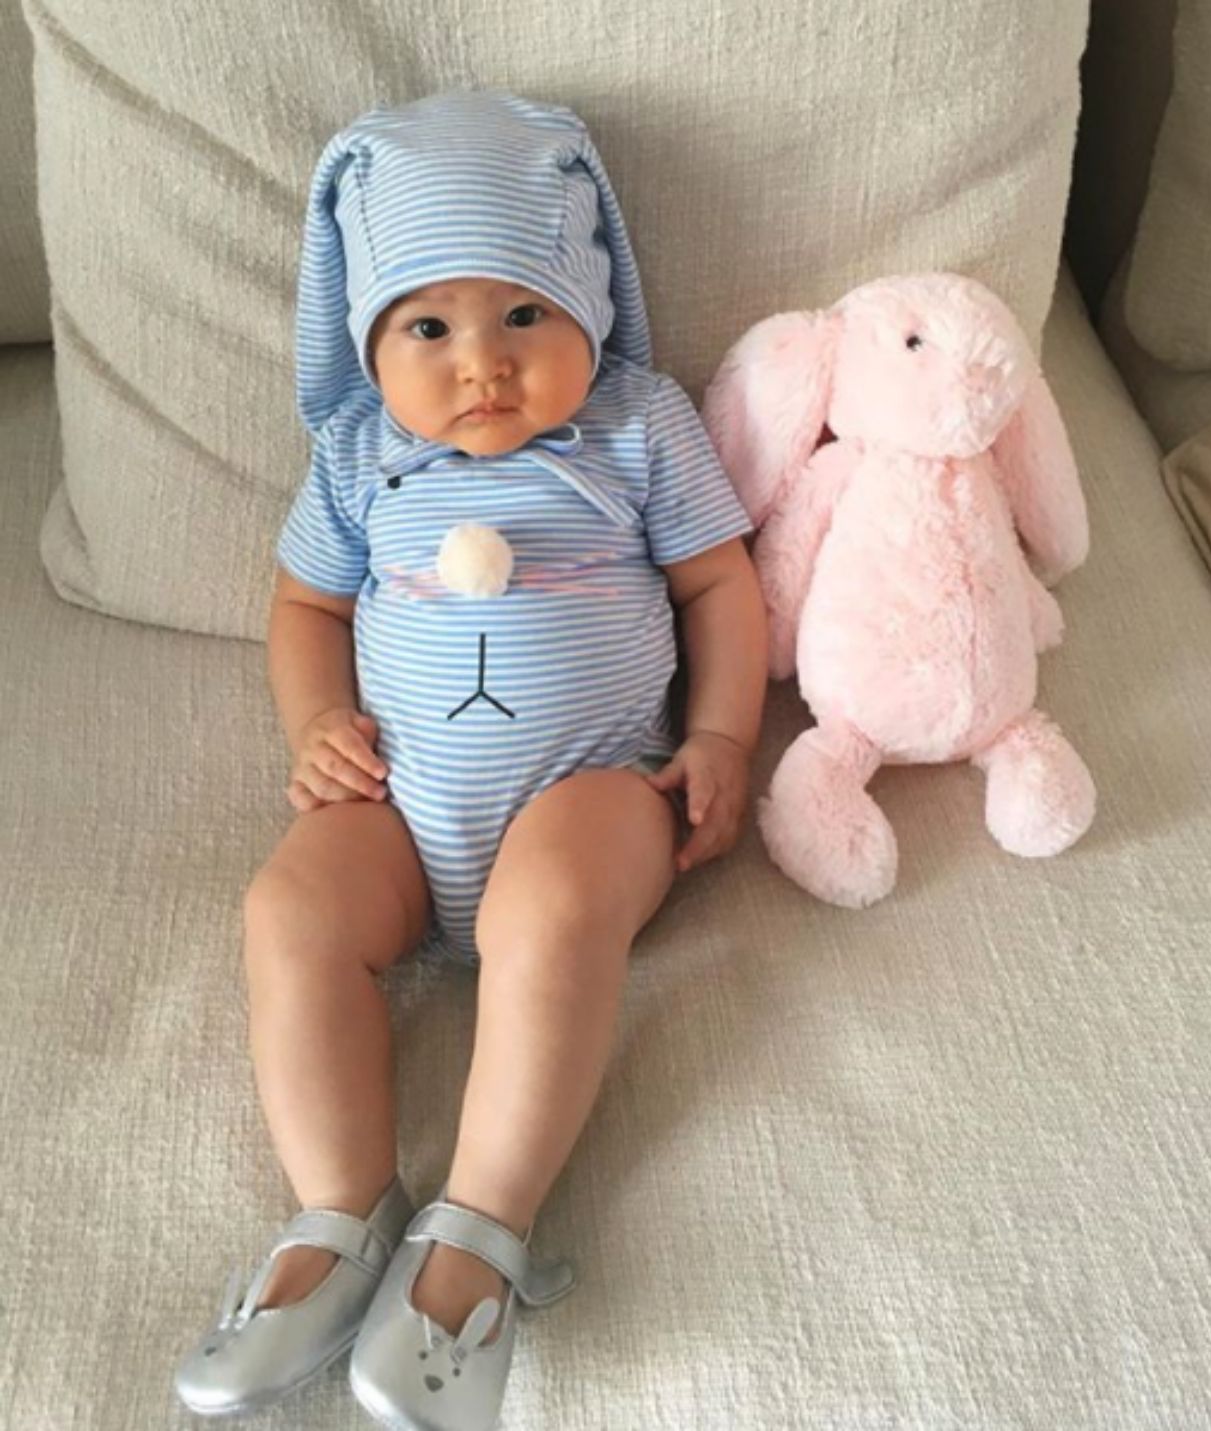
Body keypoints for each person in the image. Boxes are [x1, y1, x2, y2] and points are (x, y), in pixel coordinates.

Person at [174, 89, 767, 1431]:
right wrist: (316, 727)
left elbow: (720, 586)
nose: (482, 364)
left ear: (592, 309)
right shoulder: (356, 452)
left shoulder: (639, 424)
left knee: (553, 912)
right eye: (429, 328)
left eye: (524, 315)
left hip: (594, 787)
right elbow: (307, 607)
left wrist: (724, 732)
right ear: (369, 341)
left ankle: (480, 1238)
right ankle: (341, 1209)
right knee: (288, 911)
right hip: (397, 804)